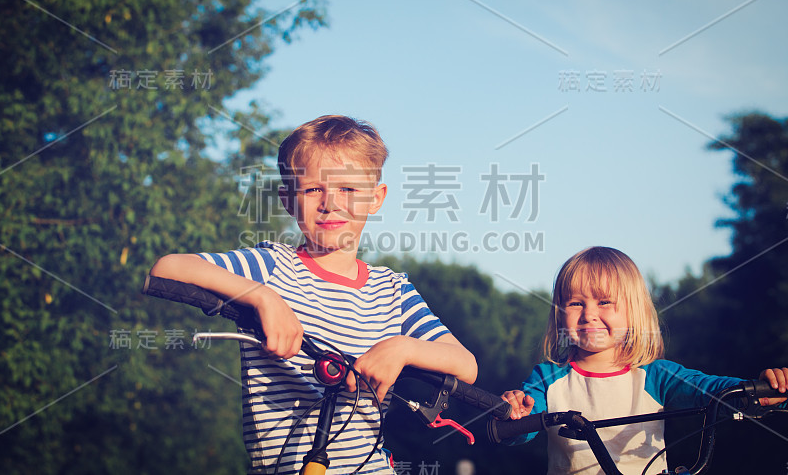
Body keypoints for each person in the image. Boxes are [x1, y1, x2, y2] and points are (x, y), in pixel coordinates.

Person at [149, 115, 477, 474]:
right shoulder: (271, 267)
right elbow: (168, 268)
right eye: (313, 189)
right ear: (289, 199)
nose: (330, 203)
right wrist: (262, 297)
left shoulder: (393, 290)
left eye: (348, 190)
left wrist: (403, 347)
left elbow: (465, 364)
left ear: (375, 198)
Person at [501, 246, 787, 475]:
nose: (588, 314)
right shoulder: (547, 377)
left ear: (632, 311)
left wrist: (761, 391)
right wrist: (514, 410)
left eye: (604, 302)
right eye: (576, 303)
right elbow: (519, 429)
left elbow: (713, 391)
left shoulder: (655, 376)